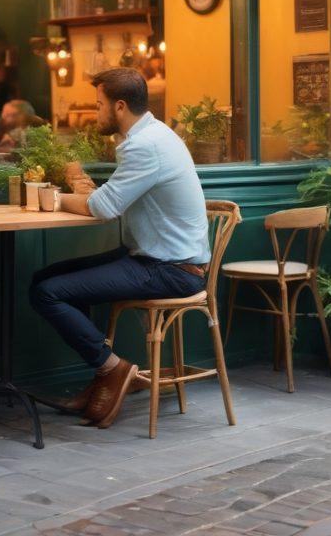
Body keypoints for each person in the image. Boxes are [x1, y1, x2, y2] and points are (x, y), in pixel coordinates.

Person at [29, 68, 210, 428]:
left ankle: (112, 369)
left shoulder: (146, 146)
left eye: (99, 105)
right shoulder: (153, 136)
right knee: (46, 279)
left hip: (171, 270)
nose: (95, 113)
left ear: (120, 106)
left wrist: (54, 199)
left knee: (48, 292)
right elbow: (108, 200)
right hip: (153, 258)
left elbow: (104, 207)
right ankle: (104, 372)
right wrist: (81, 190)